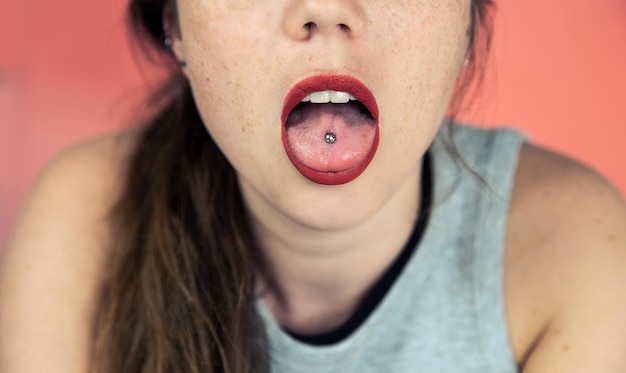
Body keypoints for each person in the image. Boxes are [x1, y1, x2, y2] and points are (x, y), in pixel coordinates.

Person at [1, 0, 625, 372]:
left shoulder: (579, 261)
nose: (324, 10)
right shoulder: (87, 226)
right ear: (176, 25)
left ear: (465, 22)